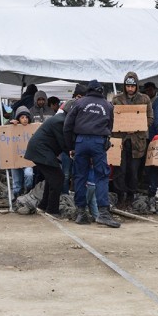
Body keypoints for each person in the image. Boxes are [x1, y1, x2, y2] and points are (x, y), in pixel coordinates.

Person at [64, 79, 119, 228]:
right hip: (98, 142)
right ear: (101, 90)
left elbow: (67, 126)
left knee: (80, 176)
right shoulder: (108, 105)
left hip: (80, 142)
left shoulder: (79, 103)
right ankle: (103, 214)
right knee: (101, 176)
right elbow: (110, 126)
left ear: (88, 90)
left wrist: (71, 146)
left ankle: (81, 213)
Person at [111, 71, 153, 209]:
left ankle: (130, 195)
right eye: (128, 86)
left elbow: (150, 118)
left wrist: (137, 126)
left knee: (133, 171)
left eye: (133, 86)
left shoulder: (145, 99)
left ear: (136, 86)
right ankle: (120, 196)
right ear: (124, 86)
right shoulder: (117, 99)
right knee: (119, 171)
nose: (130, 89)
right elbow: (112, 118)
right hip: (121, 140)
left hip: (137, 141)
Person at [24, 100, 72, 217]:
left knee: (52, 178)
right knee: (58, 178)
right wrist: (73, 151)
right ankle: (52, 210)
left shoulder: (61, 119)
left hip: (41, 150)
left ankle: (43, 205)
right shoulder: (61, 121)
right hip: (41, 150)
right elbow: (64, 143)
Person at [9, 106, 35, 197]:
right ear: (18, 118)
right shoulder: (12, 126)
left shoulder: (32, 129)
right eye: (22, 117)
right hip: (15, 159)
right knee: (16, 185)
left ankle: (27, 193)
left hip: (28, 160)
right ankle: (17, 199)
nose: (25, 119)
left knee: (29, 175)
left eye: (27, 117)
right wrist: (10, 123)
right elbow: (2, 132)